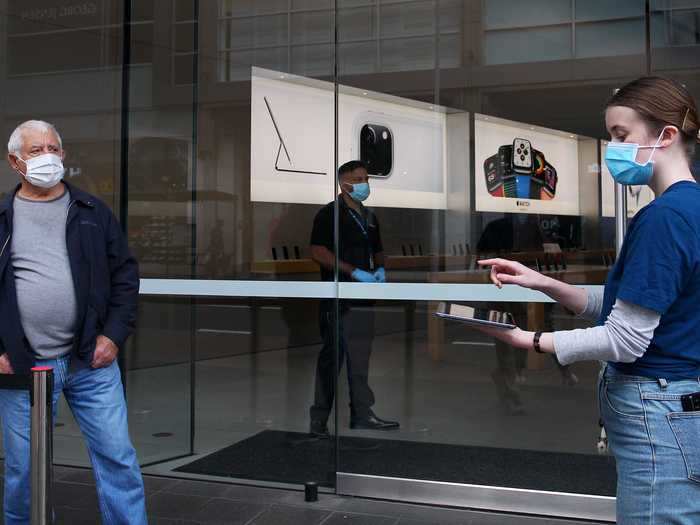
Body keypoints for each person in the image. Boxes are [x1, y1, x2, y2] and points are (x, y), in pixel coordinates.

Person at [476, 77, 700, 523]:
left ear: (667, 135)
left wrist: (532, 341)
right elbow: (634, 305)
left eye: (622, 136)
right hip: (679, 406)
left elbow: (626, 339)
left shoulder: (664, 219)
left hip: (658, 411)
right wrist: (544, 283)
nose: (613, 148)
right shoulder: (689, 208)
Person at [0, 120, 147, 524]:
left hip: (90, 361)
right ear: (15, 162)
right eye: (35, 150)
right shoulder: (1, 215)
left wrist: (113, 337)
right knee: (23, 469)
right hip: (21, 364)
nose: (47, 156)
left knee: (118, 458)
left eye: (53, 148)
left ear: (63, 155)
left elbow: (125, 277)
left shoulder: (91, 211)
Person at [308, 160, 399, 436]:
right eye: (357, 179)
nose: (364, 184)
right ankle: (319, 421)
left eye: (366, 178)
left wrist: (380, 268)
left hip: (363, 301)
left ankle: (361, 413)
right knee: (332, 359)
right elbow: (318, 252)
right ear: (343, 184)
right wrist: (353, 271)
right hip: (338, 299)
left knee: (361, 357)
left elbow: (379, 249)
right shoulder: (329, 215)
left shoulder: (369, 217)